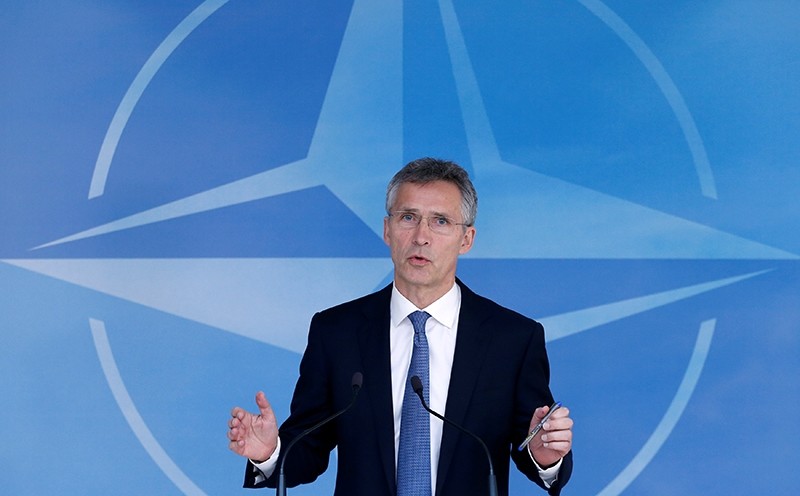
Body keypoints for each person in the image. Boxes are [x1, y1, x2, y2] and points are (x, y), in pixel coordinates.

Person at [227, 157, 573, 495]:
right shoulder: (336, 331)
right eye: (408, 217)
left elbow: (534, 444)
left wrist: (544, 457)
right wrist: (269, 452)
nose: (421, 236)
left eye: (440, 221)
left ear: (466, 239)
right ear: (387, 230)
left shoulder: (512, 338)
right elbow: (308, 448)